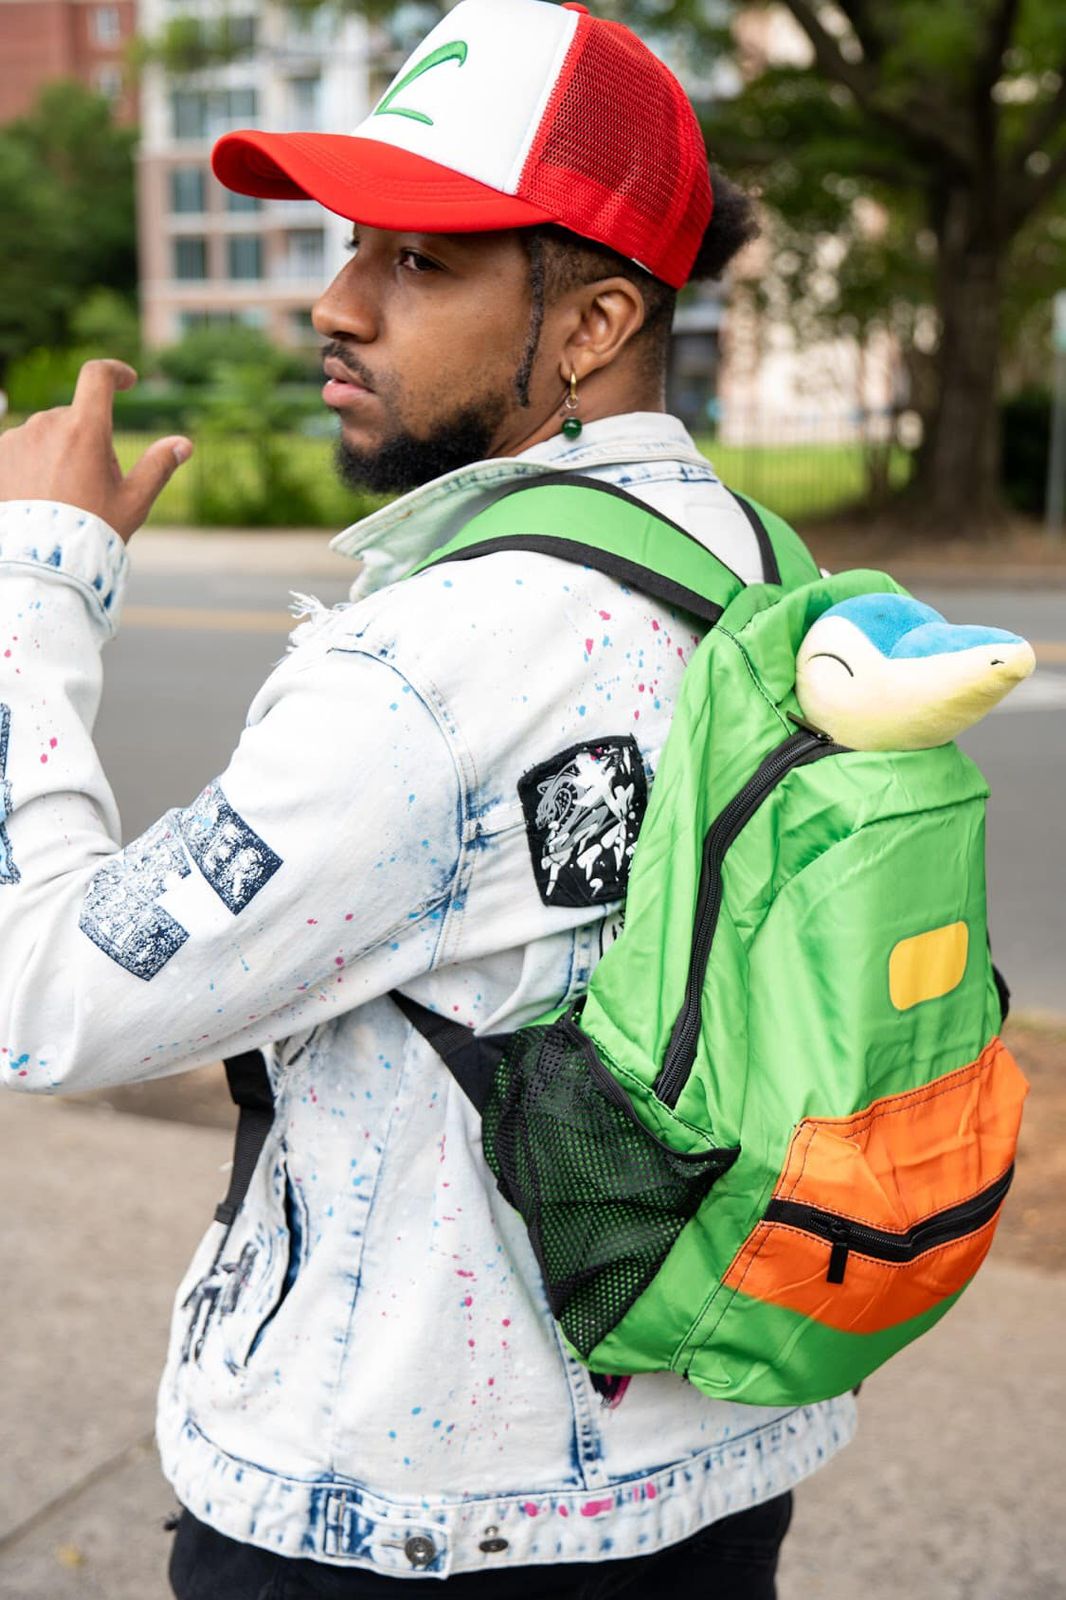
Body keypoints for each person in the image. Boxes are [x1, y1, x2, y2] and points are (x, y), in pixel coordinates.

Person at [0, 1, 856, 1593]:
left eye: (419, 262)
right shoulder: (757, 563)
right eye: (353, 246)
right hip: (717, 1467)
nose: (336, 306)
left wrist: (31, 587)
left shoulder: (432, 663)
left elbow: (45, 1002)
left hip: (403, 1515)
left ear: (592, 323)